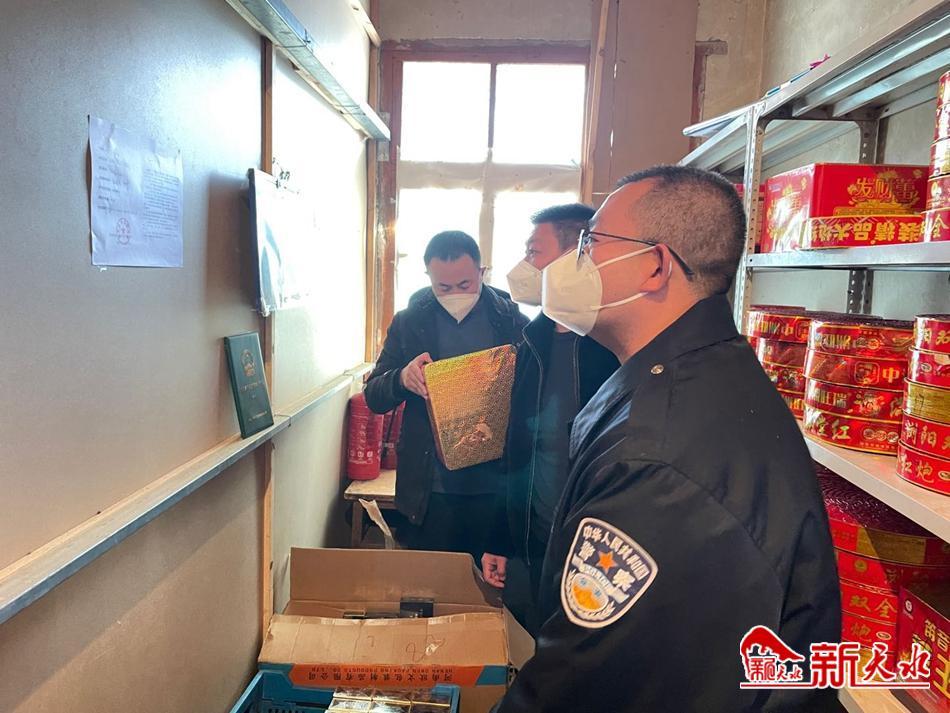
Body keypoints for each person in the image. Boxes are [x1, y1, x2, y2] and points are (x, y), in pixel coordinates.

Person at [494, 166, 840, 713]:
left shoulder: (657, 458)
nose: (575, 264)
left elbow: (586, 679)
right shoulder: (701, 367)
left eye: (590, 244)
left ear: (654, 266)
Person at [481, 204, 619, 636]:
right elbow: (513, 452)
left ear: (576, 257)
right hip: (533, 543)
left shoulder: (613, 348)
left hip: (598, 554)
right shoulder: (531, 342)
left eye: (534, 252)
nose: (525, 265)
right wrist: (500, 539)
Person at [364, 231, 529, 562]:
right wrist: (402, 378)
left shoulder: (510, 320)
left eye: (465, 284)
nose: (455, 294)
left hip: (495, 488)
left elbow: (532, 397)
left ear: (482, 272)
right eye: (443, 287)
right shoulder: (410, 322)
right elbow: (374, 396)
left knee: (489, 584)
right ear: (428, 277)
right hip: (430, 488)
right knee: (428, 583)